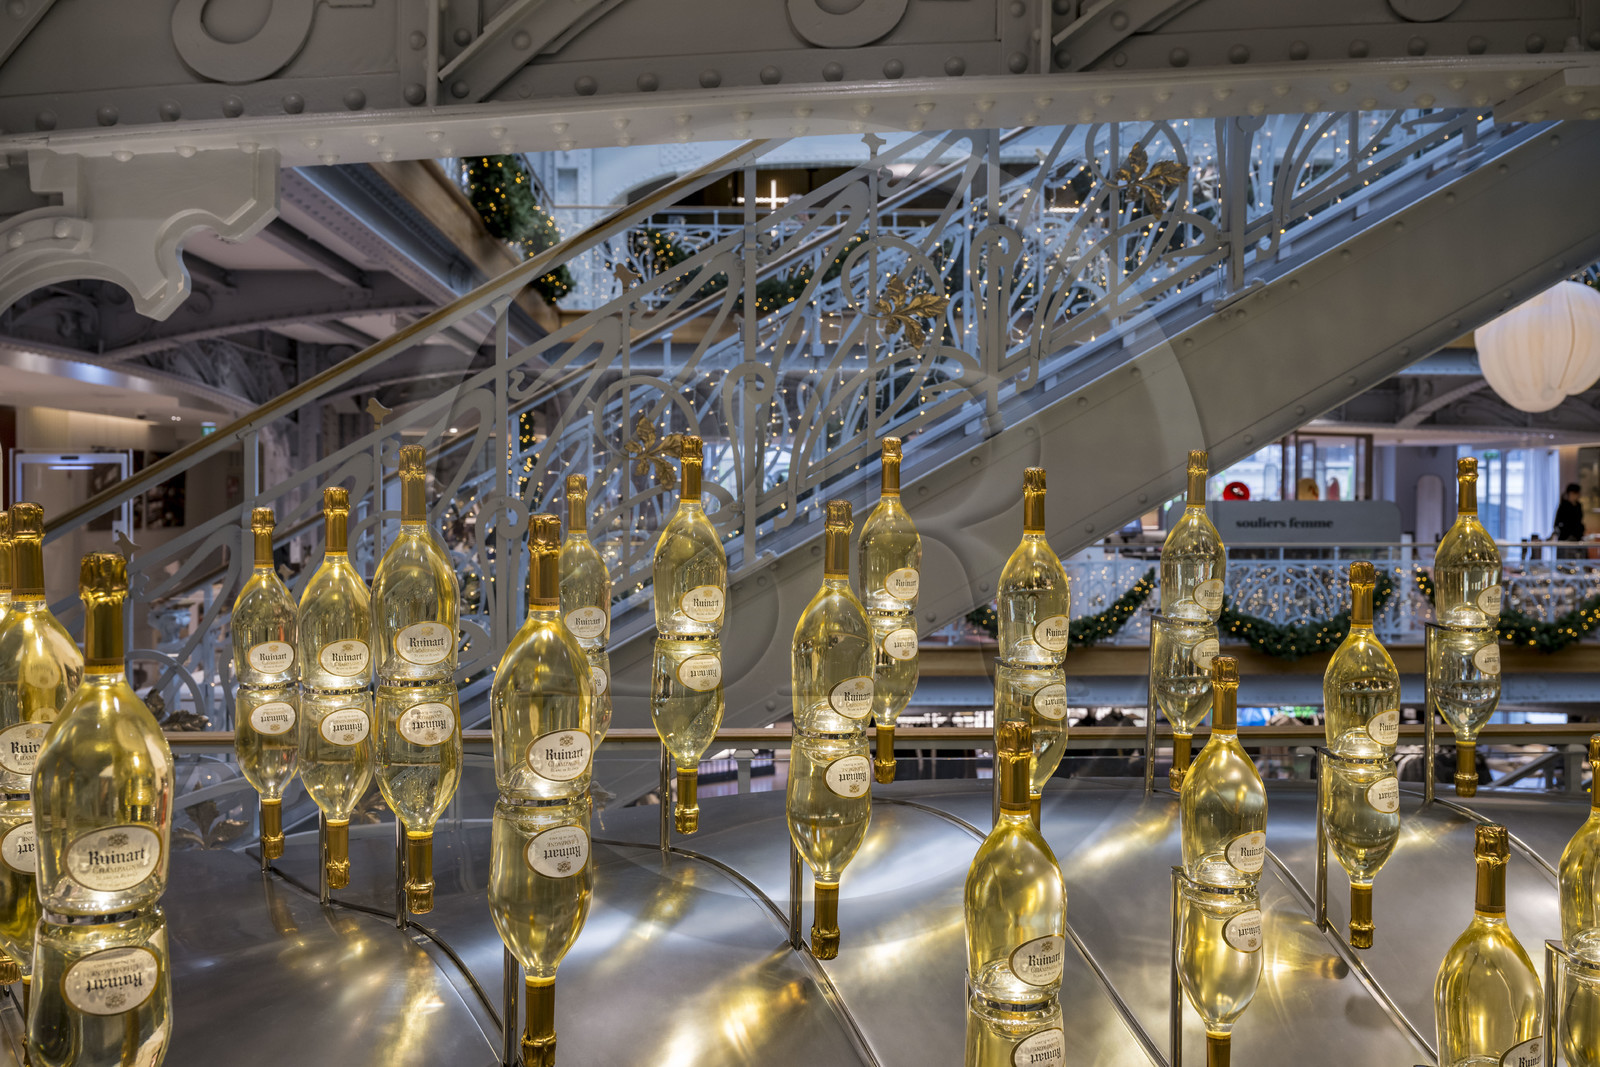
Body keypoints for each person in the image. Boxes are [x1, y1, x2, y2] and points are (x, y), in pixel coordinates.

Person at [1554, 482, 1585, 558]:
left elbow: (1579, 521)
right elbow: (1557, 523)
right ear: (1571, 493)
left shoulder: (1578, 505)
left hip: (1577, 538)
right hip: (1566, 538)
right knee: (1565, 560)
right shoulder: (1564, 506)